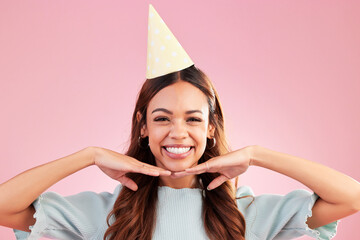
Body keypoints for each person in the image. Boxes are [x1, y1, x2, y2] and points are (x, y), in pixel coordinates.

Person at [1, 4, 359, 240]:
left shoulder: (245, 213)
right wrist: (89, 155)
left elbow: (352, 197)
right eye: (162, 118)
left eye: (193, 119)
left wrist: (257, 155)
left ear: (210, 127)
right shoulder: (107, 212)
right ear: (143, 126)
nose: (177, 133)